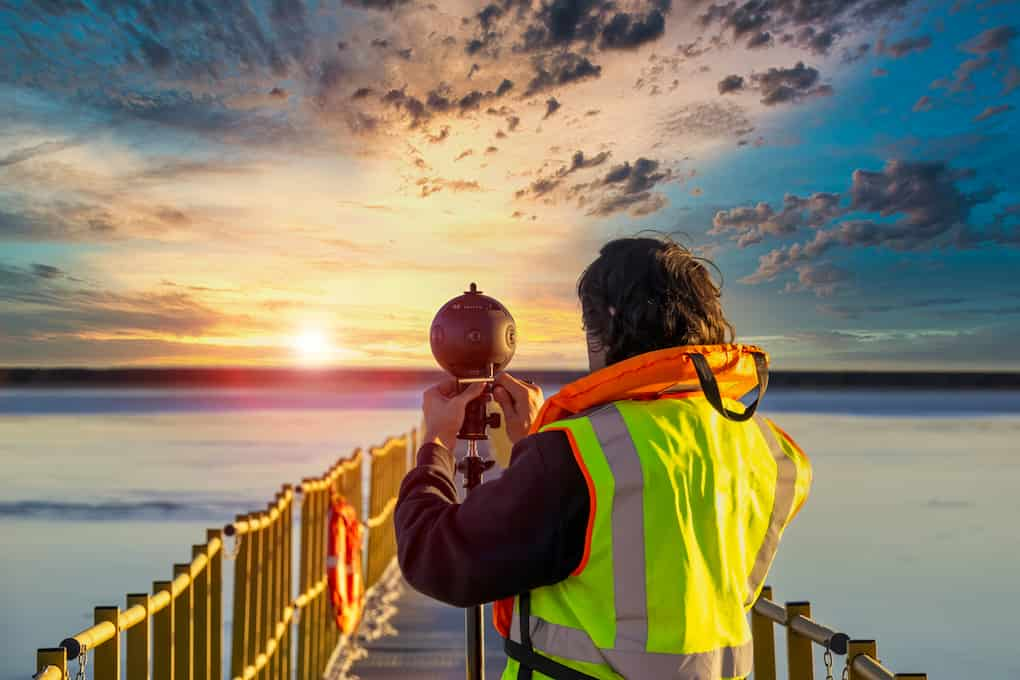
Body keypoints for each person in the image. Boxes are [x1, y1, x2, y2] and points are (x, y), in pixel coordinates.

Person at [394, 235, 812, 680]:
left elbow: (435, 555)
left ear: (602, 332)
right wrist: (536, 442)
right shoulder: (768, 449)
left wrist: (435, 445)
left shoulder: (584, 455)